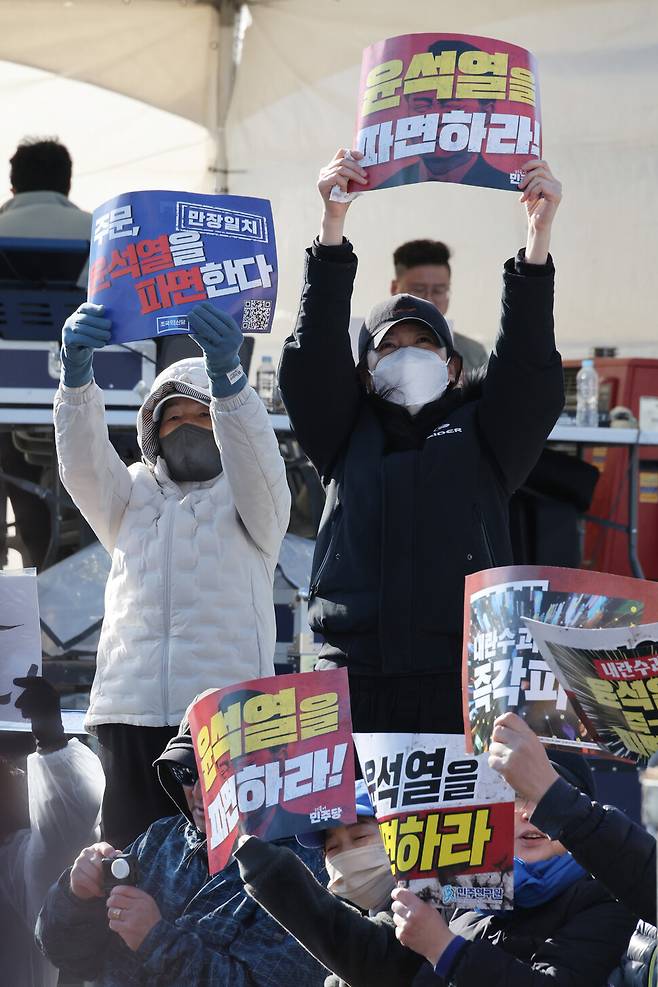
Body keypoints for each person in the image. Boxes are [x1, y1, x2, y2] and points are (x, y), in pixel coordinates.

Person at [278, 149, 564, 735]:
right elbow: (310, 360)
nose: (407, 355)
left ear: (455, 366)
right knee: (351, 831)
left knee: (449, 830)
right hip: (350, 674)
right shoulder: (342, 432)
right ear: (363, 369)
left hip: (462, 674)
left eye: (425, 345)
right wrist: (332, 230)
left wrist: (536, 244)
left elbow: (528, 369)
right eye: (389, 345)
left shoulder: (488, 437)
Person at [55, 300, 291, 847]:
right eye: (173, 418)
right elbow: (84, 463)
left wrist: (231, 383)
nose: (187, 426)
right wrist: (76, 384)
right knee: (126, 871)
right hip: (126, 716)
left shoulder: (255, 502)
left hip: (223, 718)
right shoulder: (131, 494)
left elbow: (255, 452)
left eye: (203, 415)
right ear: (152, 434)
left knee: (223, 877)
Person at [237, 761, 635, 986]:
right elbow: (382, 963)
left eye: (551, 798)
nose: (529, 814)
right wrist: (268, 871)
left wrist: (446, 949)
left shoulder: (605, 896)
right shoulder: (454, 874)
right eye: (513, 798)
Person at [35, 709, 328, 986]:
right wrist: (76, 895)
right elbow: (69, 956)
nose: (199, 792)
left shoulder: (302, 868)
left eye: (220, 775)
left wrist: (156, 939)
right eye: (186, 773)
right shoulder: (162, 836)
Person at [0, 138, 93, 570]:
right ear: (67, 184)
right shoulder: (100, 232)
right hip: (83, 385)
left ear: (13, 184)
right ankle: (56, 573)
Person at [488, 711, 656, 924]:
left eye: (544, 794)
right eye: (516, 795)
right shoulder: (460, 892)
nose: (529, 813)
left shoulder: (613, 897)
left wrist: (442, 944)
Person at [0, 675, 104, 987]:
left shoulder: (15, 866)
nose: (13, 773)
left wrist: (53, 743)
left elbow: (67, 827)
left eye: (10, 767)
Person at [373, 40, 518, 193]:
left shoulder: (511, 188)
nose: (433, 118)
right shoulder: (382, 188)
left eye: (452, 105)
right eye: (422, 105)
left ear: (487, 113)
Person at [391, 239, 488, 374]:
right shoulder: (371, 347)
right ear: (395, 288)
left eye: (438, 291)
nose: (428, 300)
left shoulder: (473, 354)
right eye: (418, 289)